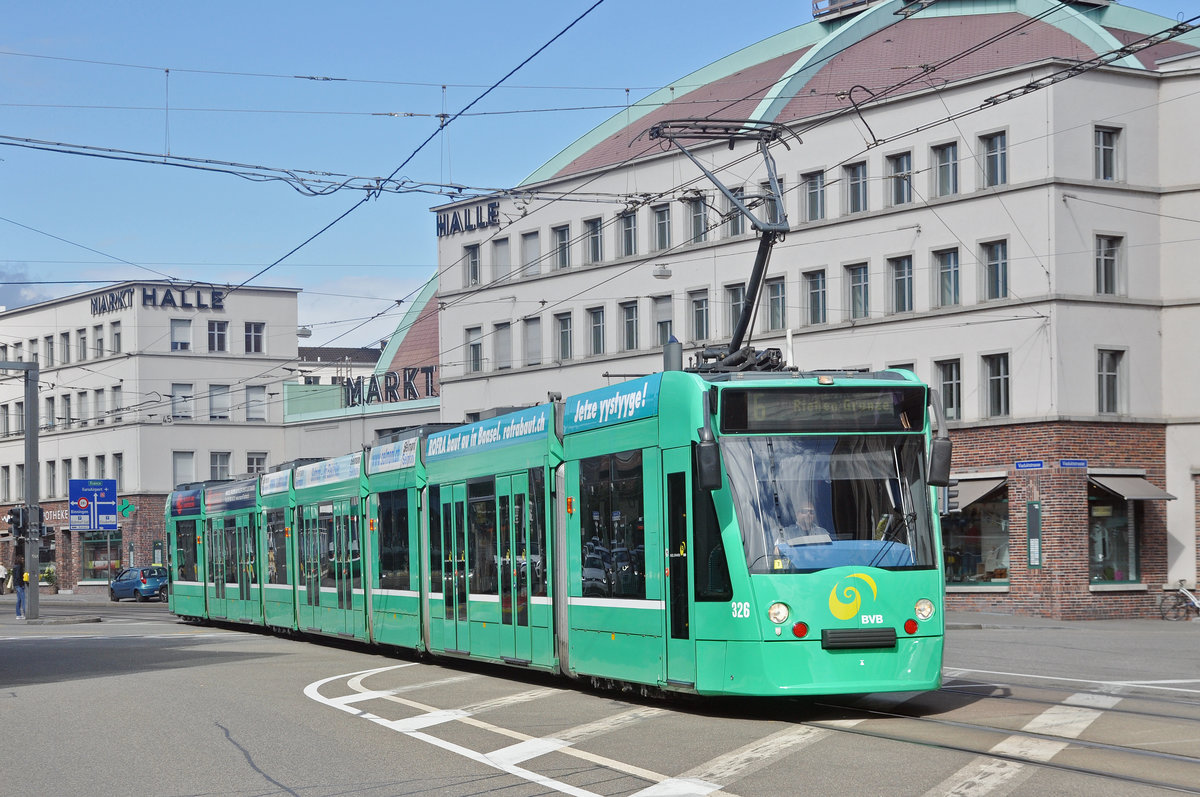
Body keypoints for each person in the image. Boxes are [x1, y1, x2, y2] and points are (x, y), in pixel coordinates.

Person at [14, 555, 26, 620]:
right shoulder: (19, 567)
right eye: (22, 559)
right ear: (19, 560)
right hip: (20, 585)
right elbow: (19, 577)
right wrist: (22, 584)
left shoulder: (15, 566)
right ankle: (25, 614)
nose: (23, 560)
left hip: (16, 585)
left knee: (19, 600)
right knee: (23, 599)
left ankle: (18, 615)